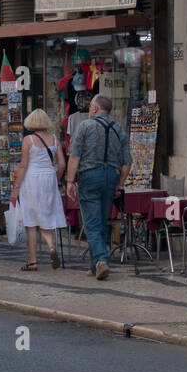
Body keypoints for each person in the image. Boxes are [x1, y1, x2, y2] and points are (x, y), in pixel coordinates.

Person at [65, 94, 131, 281]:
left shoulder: (85, 126)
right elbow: (127, 162)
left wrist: (70, 182)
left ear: (94, 109)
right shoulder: (119, 129)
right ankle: (94, 266)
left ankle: (102, 260)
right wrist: (120, 182)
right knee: (101, 220)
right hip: (111, 176)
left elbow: (75, 157)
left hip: (90, 175)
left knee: (92, 223)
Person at [10, 109, 67, 271]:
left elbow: (23, 166)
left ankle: (33, 261)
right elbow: (62, 164)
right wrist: (56, 178)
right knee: (46, 217)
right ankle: (50, 247)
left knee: (31, 221)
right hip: (49, 178)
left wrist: (16, 189)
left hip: (32, 180)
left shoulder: (28, 140)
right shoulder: (55, 139)